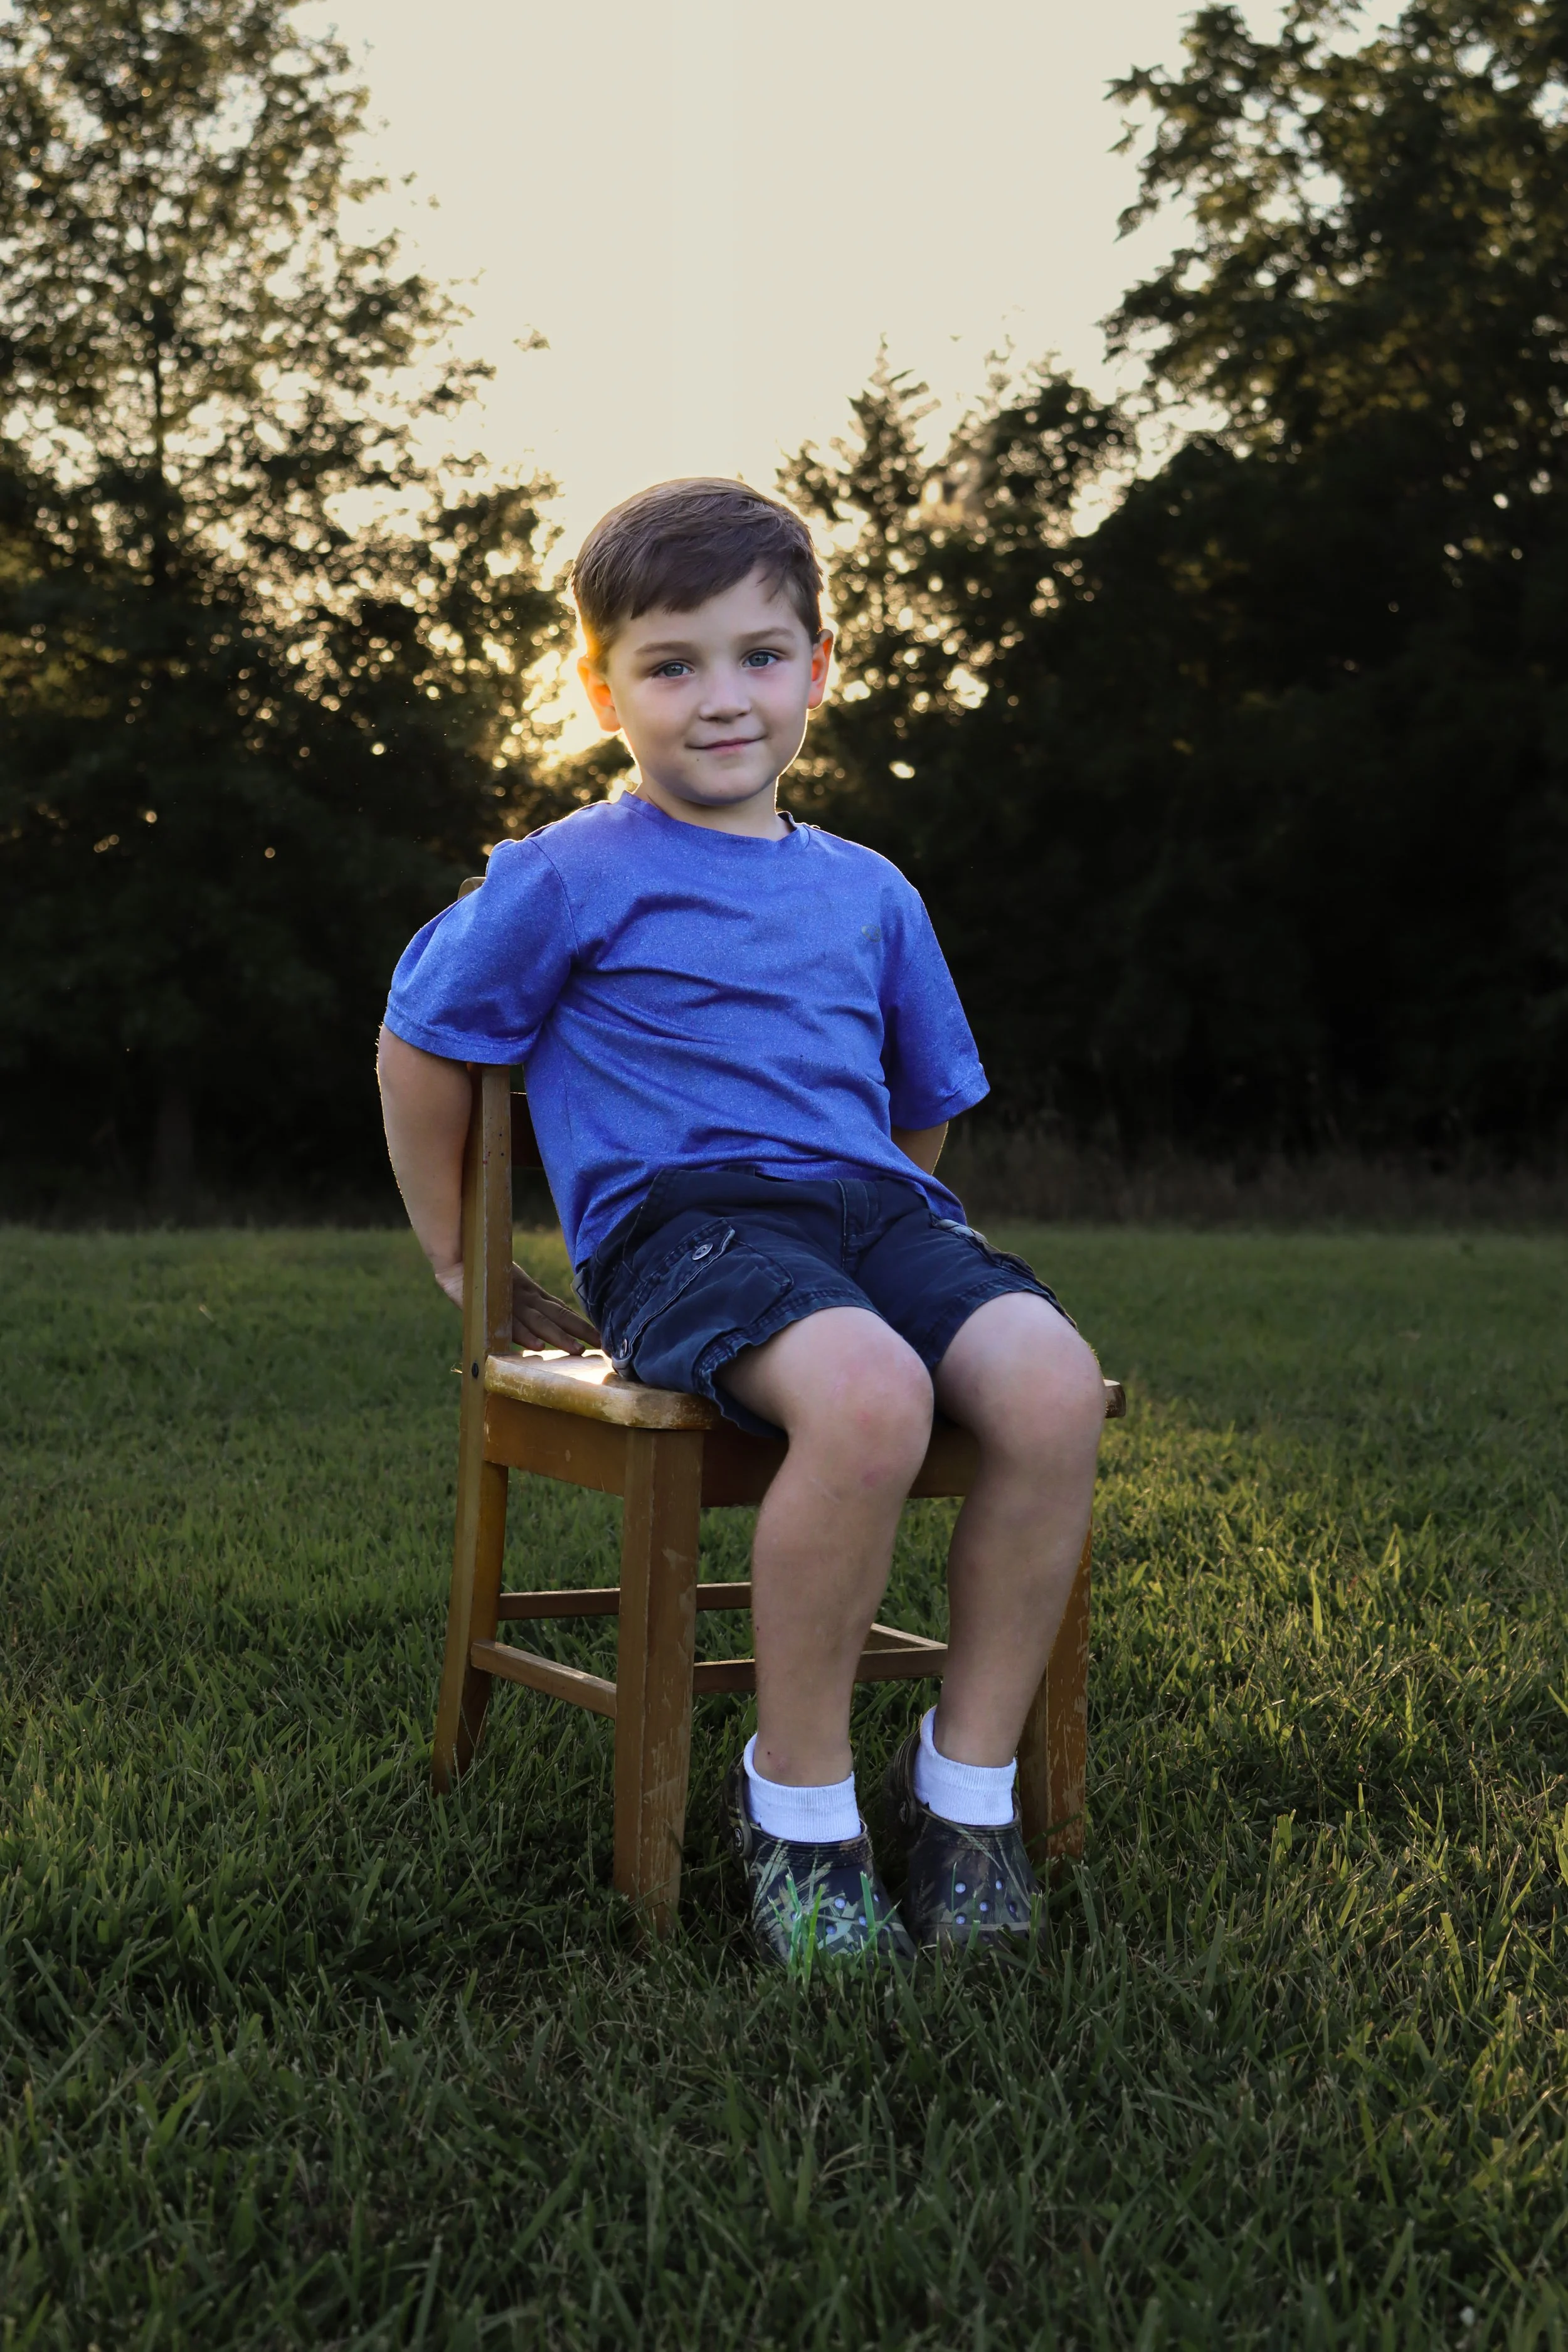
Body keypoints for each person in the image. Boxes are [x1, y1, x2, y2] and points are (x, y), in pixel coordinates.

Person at [378, 478, 1108, 1966]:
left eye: (760, 655)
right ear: (598, 689)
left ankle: (964, 1799)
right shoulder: (565, 872)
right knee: (864, 1393)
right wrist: (463, 1257)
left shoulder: (869, 889)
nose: (723, 698)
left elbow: (922, 1102)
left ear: (817, 667)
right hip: (686, 1232)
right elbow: (421, 1038)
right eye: (672, 663)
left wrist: (894, 1235)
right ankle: (800, 1808)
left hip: (873, 1212)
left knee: (1046, 1383)